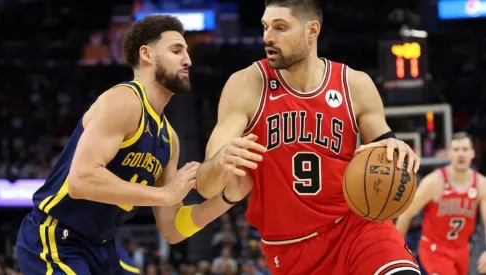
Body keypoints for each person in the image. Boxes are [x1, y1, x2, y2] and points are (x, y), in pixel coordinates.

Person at [195, 0, 422, 274]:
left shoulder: (355, 84)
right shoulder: (247, 84)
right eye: (266, 27)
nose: (268, 37)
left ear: (311, 30)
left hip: (357, 227)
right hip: (289, 247)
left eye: (280, 27)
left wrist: (395, 147)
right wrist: (219, 162)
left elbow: (385, 147)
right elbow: (206, 187)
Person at [15, 15, 252, 275]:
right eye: (176, 50)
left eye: (186, 52)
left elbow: (172, 228)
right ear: (146, 54)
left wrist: (229, 198)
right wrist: (165, 194)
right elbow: (81, 181)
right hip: (56, 236)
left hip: (102, 247)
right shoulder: (124, 101)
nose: (188, 60)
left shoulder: (169, 138)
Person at [396, 132, 486, 275]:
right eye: (456, 150)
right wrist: (398, 250)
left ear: (472, 153)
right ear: (449, 154)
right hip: (435, 249)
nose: (461, 154)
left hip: (462, 250)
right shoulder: (434, 182)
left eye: (465, 149)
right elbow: (406, 215)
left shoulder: (481, 184)